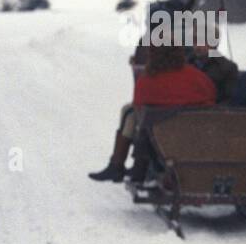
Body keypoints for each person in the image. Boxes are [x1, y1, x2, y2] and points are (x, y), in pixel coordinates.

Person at [89, 45, 217, 182]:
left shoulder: (148, 79)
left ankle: (116, 165)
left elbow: (138, 105)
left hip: (162, 137)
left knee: (130, 113)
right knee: (130, 112)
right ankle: (117, 165)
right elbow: (211, 97)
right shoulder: (197, 77)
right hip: (193, 132)